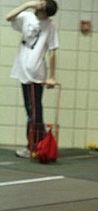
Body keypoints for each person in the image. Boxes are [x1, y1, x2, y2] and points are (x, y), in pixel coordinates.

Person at [6, 0, 59, 158]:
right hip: (22, 69)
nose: (37, 4)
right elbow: (8, 17)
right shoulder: (28, 17)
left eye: (41, 4)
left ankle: (35, 145)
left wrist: (52, 76)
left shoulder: (50, 25)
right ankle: (37, 144)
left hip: (35, 72)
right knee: (32, 110)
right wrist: (27, 4)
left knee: (34, 111)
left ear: (44, 10)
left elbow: (53, 51)